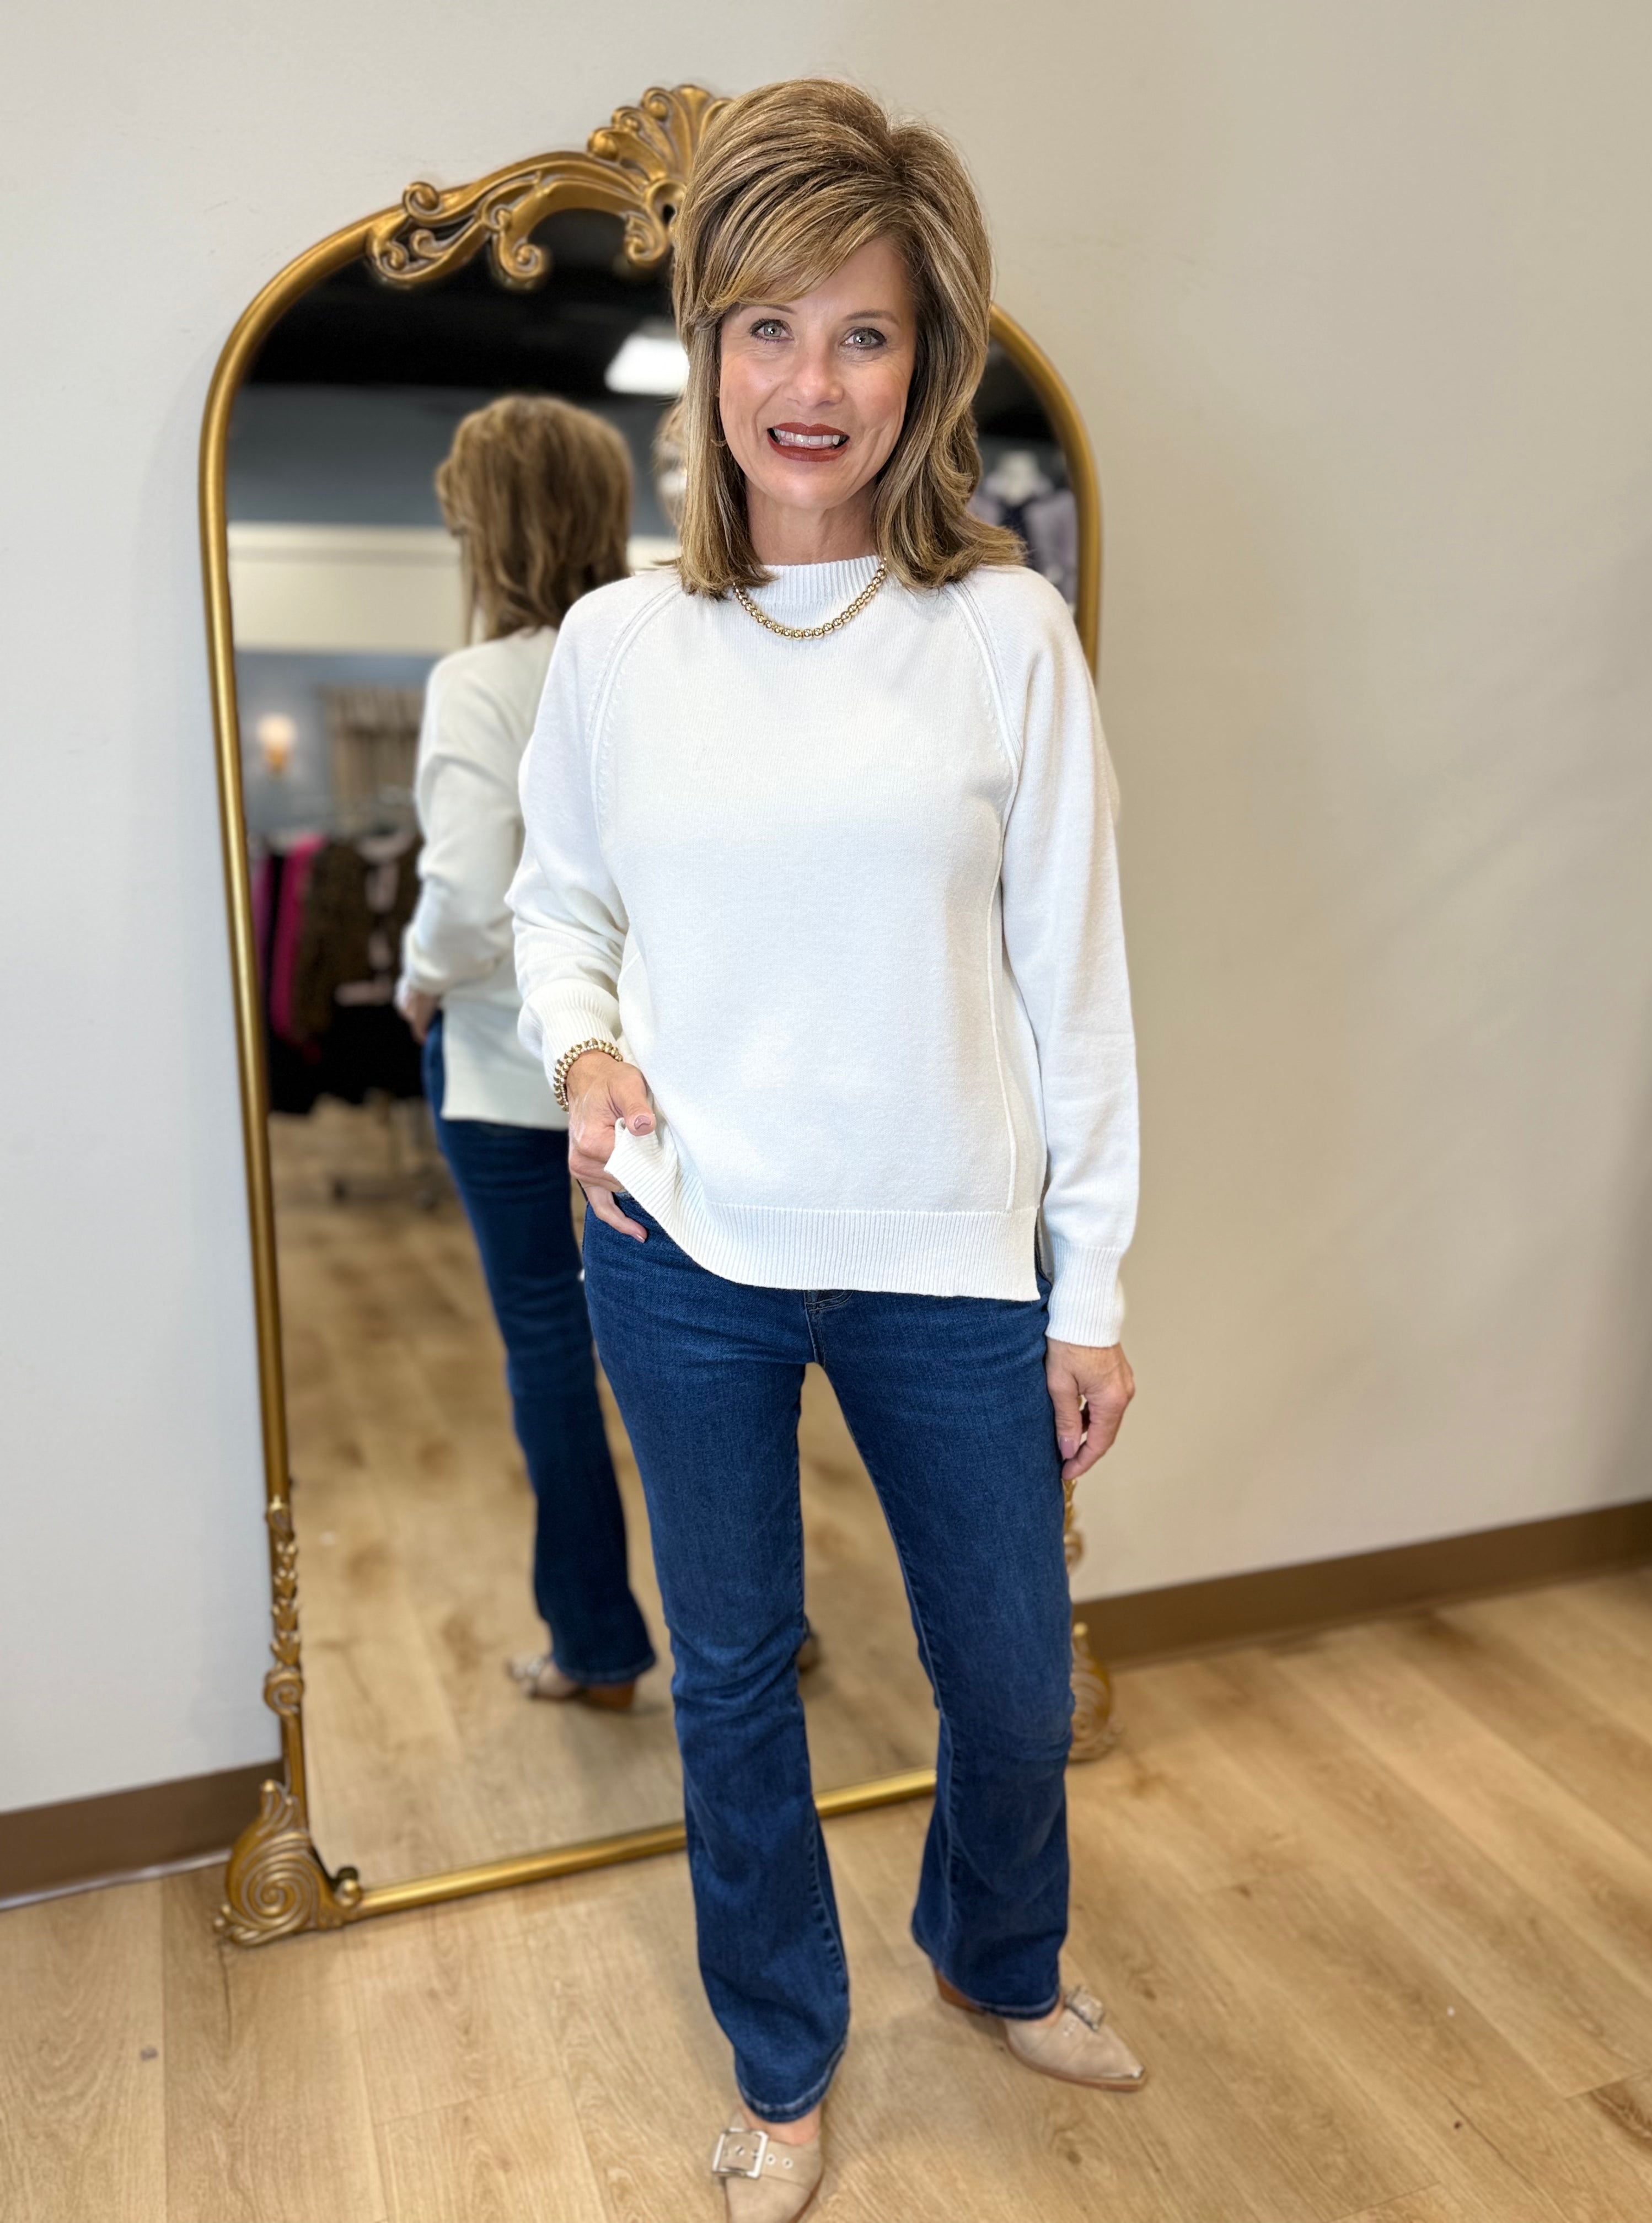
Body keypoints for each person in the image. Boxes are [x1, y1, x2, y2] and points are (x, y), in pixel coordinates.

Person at [511, 80, 1143, 2216]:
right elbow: (555, 903)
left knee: (1015, 1682)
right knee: (733, 1686)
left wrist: (1091, 1285)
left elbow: (1077, 983)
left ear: (923, 363)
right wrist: (584, 1048)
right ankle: (785, 2067)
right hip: (682, 1246)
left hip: (948, 1253)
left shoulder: (1003, 636)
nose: (813, 381)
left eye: (862, 333)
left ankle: (992, 1952)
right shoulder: (619, 644)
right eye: (767, 328)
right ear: (706, 352)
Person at [395, 394, 656, 1710]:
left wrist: (417, 981)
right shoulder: (661, 651)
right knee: (711, 1351)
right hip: (651, 1069)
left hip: (508, 1066)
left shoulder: (480, 681)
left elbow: (464, 888)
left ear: (483, 529)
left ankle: (596, 1645)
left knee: (550, 1347)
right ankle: (764, 1628)